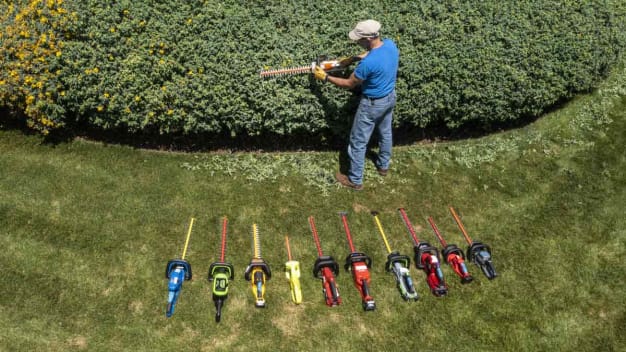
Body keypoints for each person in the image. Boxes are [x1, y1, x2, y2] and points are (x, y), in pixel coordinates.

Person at [314, 19, 399, 191]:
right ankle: (383, 166)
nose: (356, 42)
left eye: (358, 39)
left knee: (358, 141)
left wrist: (325, 77)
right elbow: (373, 54)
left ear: (368, 38)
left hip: (372, 104)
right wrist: (352, 59)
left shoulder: (367, 65)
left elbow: (348, 84)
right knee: (385, 133)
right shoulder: (390, 45)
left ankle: (355, 179)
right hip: (389, 97)